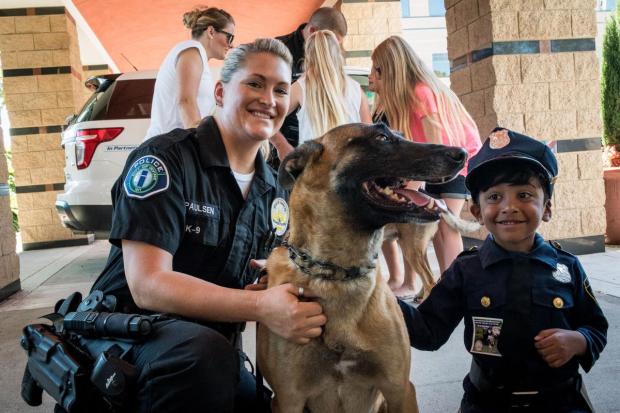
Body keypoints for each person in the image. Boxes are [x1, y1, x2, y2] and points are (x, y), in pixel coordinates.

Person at [86, 38, 327, 412]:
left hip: (209, 352)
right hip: (126, 336)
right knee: (203, 356)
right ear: (219, 91)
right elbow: (148, 285)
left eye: (281, 89)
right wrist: (259, 304)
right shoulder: (165, 159)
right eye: (255, 83)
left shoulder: (274, 190)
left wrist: (271, 280)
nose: (269, 99)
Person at [398, 128, 608, 412]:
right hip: (486, 403)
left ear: (546, 207)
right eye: (494, 197)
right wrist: (379, 299)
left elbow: (596, 327)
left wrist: (579, 341)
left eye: (524, 194)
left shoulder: (567, 267)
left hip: (561, 402)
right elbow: (427, 331)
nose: (509, 207)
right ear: (477, 212)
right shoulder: (466, 270)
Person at [369, 35, 482, 300]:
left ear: (392, 68)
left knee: (446, 226)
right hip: (439, 163)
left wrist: (415, 184)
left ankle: (455, 290)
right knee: (434, 225)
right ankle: (444, 287)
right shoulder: (404, 98)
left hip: (458, 161)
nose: (374, 75)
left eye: (377, 69)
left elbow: (437, 143)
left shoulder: (422, 92)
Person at [269, 30, 371, 160]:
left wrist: (282, 146)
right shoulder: (356, 89)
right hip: (350, 171)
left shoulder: (301, 87)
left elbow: (268, 116)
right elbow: (371, 136)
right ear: (337, 54)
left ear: (308, 56)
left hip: (313, 171)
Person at [144, 6, 235, 140]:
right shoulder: (192, 50)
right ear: (211, 31)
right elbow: (185, 101)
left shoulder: (196, 55)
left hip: (172, 145)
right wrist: (200, 144)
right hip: (168, 148)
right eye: (230, 37)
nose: (231, 45)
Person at [272, 7, 348, 164]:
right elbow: (266, 111)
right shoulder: (277, 51)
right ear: (313, 30)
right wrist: (281, 146)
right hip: (283, 154)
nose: (333, 50)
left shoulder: (334, 57)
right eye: (330, 41)